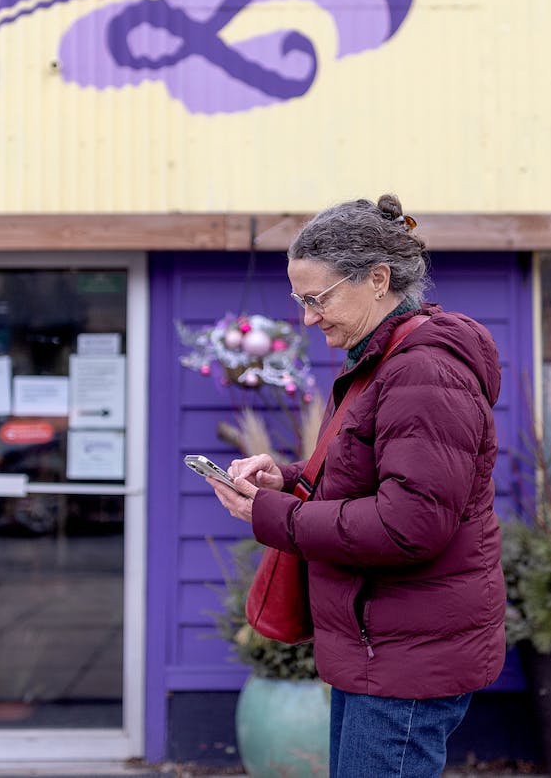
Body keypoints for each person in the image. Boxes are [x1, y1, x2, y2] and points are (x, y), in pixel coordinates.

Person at [207, 194, 505, 778]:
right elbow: (375, 478)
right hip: (384, 649)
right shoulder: (390, 359)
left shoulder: (422, 370)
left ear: (377, 279)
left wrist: (274, 515)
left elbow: (407, 524)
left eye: (317, 299)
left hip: (403, 657)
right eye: (299, 300)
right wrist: (286, 478)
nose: (307, 318)